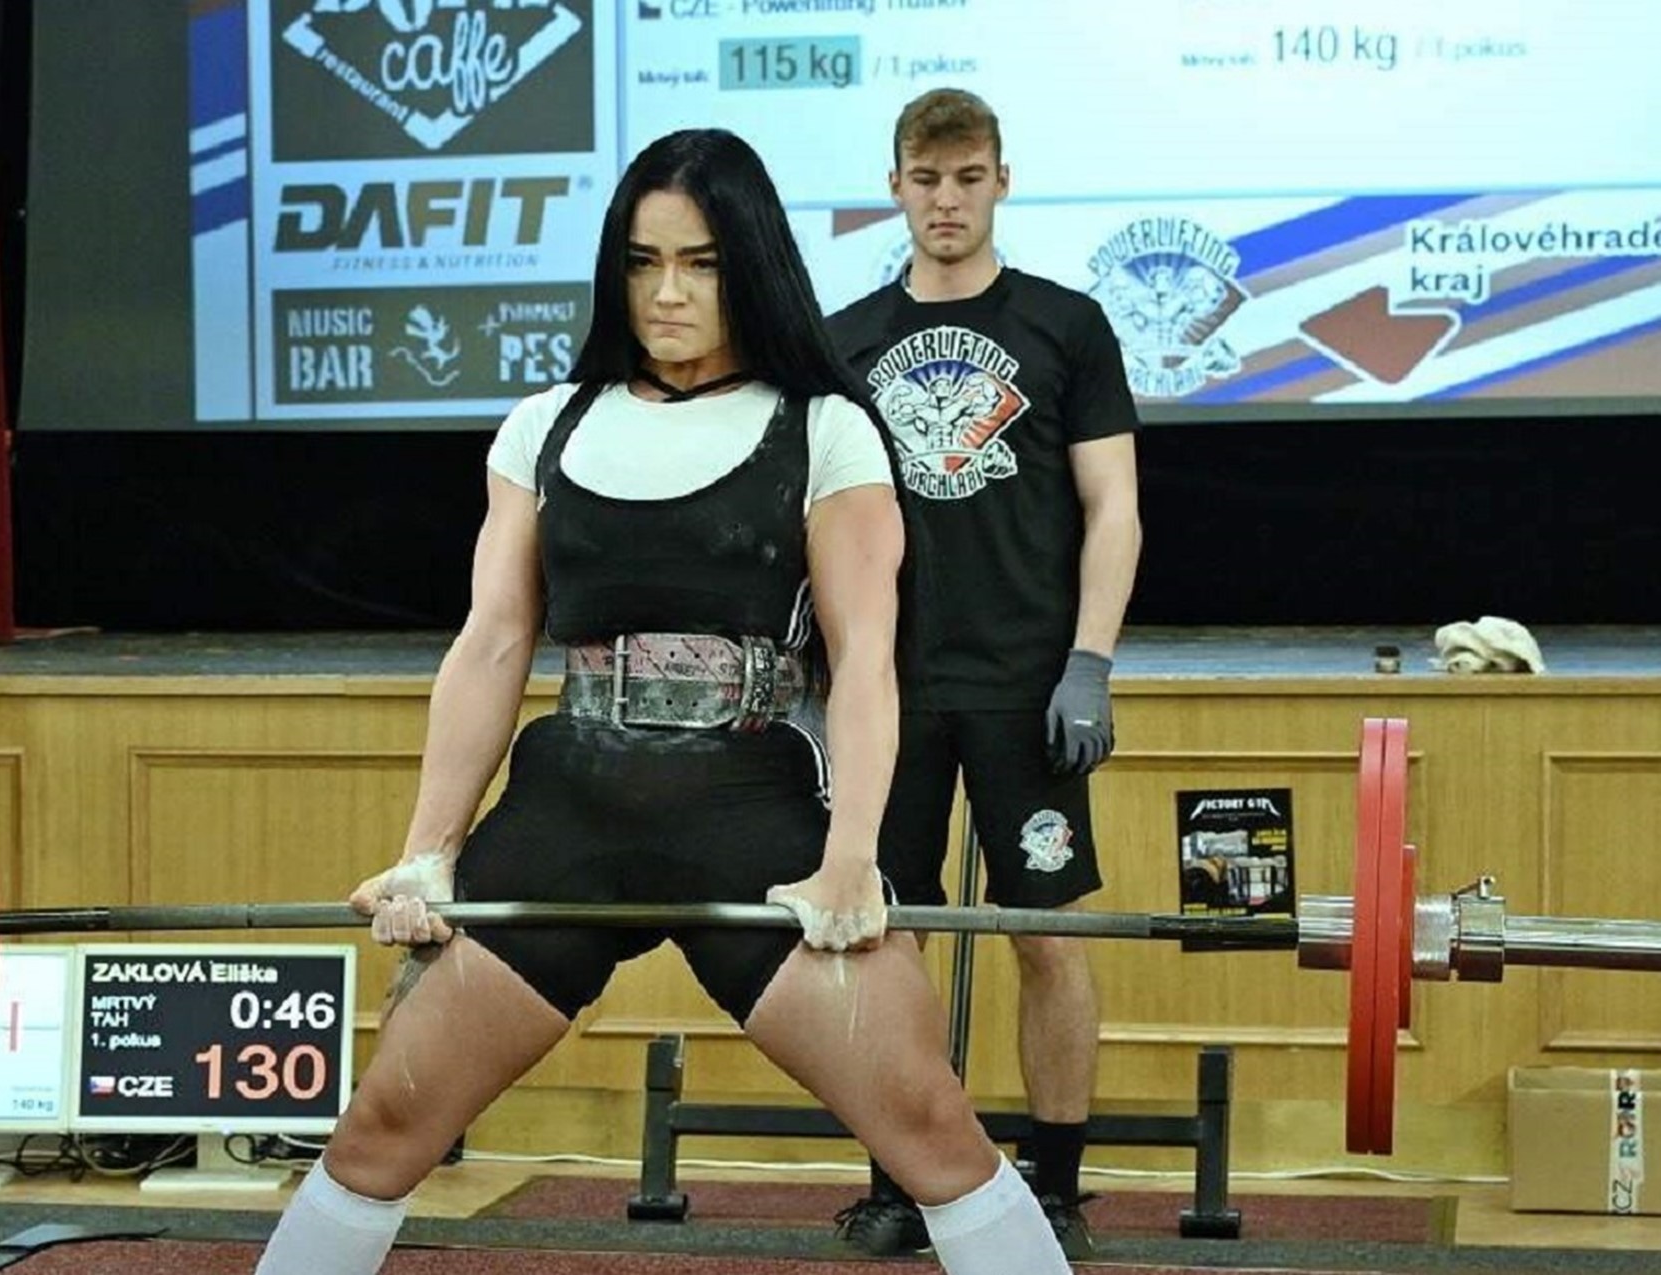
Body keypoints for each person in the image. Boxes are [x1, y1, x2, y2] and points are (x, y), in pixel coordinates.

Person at [254, 129, 1072, 1275]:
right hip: (569, 812)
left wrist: (851, 861)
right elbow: (493, 643)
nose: (668, 292)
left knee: (928, 1125)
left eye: (700, 263)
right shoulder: (547, 426)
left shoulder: (824, 429)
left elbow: (864, 662)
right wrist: (427, 853)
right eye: (642, 263)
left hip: (750, 814)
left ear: (752, 266)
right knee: (382, 1128)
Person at [825, 89, 1142, 1258]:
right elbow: (820, 524)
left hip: (1025, 685)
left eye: (966, 178)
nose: (945, 200)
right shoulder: (843, 343)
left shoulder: (1066, 325)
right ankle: (903, 1182)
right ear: (895, 187)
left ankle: (1054, 1188)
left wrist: (1089, 663)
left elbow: (1113, 506)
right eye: (925, 179)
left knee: (1045, 935)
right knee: (884, 939)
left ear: (1000, 180)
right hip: (890, 690)